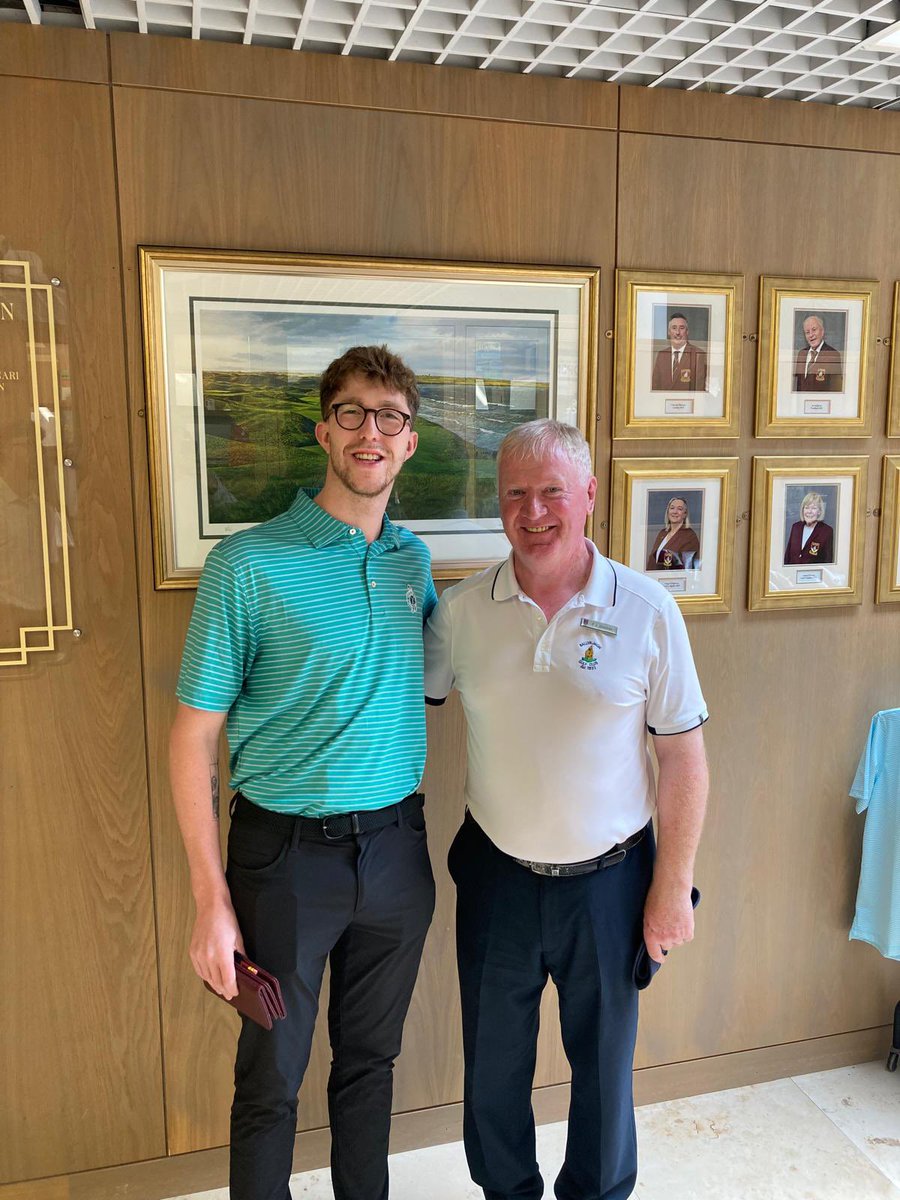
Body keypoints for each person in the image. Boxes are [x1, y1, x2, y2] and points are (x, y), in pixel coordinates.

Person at [169, 344, 437, 1200]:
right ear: (324, 430)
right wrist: (212, 901)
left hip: (398, 854)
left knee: (371, 1064)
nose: (371, 432)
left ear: (410, 442)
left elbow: (441, 677)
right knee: (271, 1079)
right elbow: (190, 739)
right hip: (282, 863)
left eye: (389, 416)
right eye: (352, 413)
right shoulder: (247, 567)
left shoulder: (412, 563)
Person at [425, 420, 709, 1200]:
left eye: (553, 490)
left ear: (589, 495)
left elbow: (682, 755)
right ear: (498, 503)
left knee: (605, 1073)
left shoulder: (648, 609)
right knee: (491, 1072)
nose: (534, 510)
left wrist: (671, 887)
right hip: (497, 880)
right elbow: (403, 704)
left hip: (612, 885)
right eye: (515, 493)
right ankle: (506, 1192)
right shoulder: (460, 613)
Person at [650, 312, 707, 391]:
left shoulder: (698, 354)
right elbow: (655, 387)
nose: (677, 332)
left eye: (681, 328)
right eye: (674, 328)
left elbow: (700, 390)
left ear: (687, 332)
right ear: (669, 332)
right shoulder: (662, 355)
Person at [646, 496, 701, 571]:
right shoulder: (663, 533)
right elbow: (652, 559)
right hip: (654, 579)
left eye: (679, 509)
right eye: (672, 508)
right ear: (668, 511)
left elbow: (686, 566)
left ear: (685, 514)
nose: (675, 511)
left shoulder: (689, 536)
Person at [793, 315, 843, 392]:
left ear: (822, 331)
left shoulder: (833, 354)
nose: (811, 335)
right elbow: (797, 386)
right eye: (807, 332)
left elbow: (836, 389)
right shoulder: (801, 354)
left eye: (814, 330)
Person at [784, 490, 834, 565]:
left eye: (814, 508)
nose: (809, 511)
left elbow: (828, 561)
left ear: (819, 511)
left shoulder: (827, 531)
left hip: (814, 576)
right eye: (806, 508)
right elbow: (787, 557)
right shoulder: (795, 527)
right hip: (791, 575)